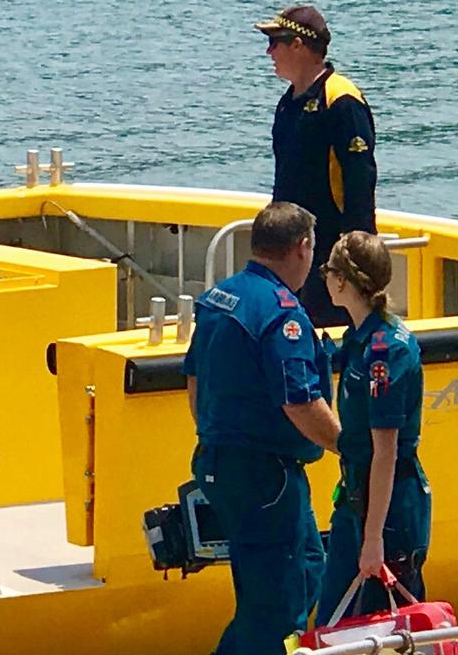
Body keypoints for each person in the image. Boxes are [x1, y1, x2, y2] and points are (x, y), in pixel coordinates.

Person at [184, 201, 341, 655]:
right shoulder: (281, 314)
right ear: (303, 247)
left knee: (309, 564)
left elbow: (195, 380)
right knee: (274, 607)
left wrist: (215, 434)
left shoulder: (220, 299)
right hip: (263, 475)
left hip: (221, 462)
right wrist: (348, 448)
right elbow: (300, 401)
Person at [315, 231, 429, 623]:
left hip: (389, 508)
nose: (325, 278)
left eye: (328, 270)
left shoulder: (386, 353)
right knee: (334, 619)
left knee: (392, 625)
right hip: (356, 498)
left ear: (343, 280)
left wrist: (374, 537)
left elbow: (386, 452)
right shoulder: (359, 340)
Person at [255, 5, 378, 328]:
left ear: (298, 45)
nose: (269, 52)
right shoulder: (289, 101)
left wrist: (353, 256)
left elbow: (359, 182)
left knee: (330, 332)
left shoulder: (341, 99)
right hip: (291, 246)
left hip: (328, 249)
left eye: (275, 42)